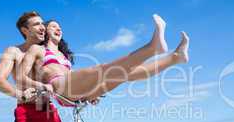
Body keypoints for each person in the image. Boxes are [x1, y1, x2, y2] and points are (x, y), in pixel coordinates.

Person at [18, 14, 189, 103]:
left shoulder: (63, 56)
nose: (58, 29)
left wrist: (92, 92)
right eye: (53, 26)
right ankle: (153, 48)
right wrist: (42, 86)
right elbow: (21, 77)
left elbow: (76, 79)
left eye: (60, 27)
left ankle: (175, 57)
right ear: (45, 31)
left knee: (124, 74)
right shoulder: (37, 49)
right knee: (102, 69)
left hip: (78, 95)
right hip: (59, 88)